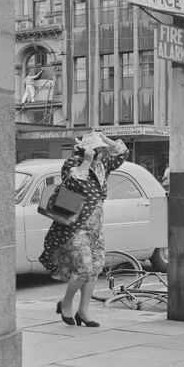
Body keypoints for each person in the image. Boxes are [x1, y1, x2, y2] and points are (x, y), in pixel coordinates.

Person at [39, 131, 129, 327]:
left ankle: (83, 311)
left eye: (101, 150)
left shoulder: (103, 164)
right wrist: (86, 162)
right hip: (76, 226)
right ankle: (66, 303)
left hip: (96, 226)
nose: (101, 153)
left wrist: (104, 138)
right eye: (97, 149)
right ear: (86, 150)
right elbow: (72, 184)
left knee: (95, 268)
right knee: (84, 268)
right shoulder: (73, 164)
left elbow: (122, 153)